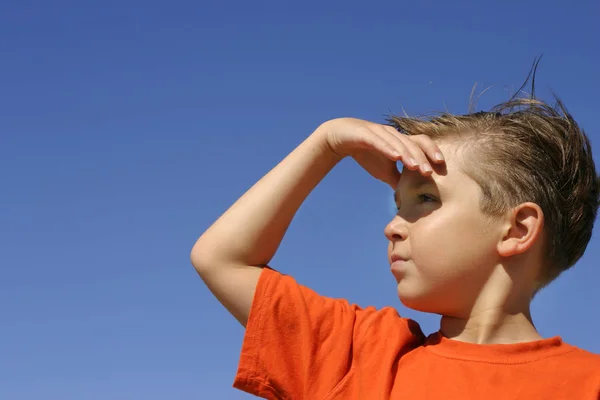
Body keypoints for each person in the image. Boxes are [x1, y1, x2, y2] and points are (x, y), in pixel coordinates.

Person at [191, 67, 600, 399]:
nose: (391, 227)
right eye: (397, 206)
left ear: (517, 229)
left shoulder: (589, 382)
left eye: (426, 200)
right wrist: (327, 142)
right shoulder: (361, 356)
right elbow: (221, 259)